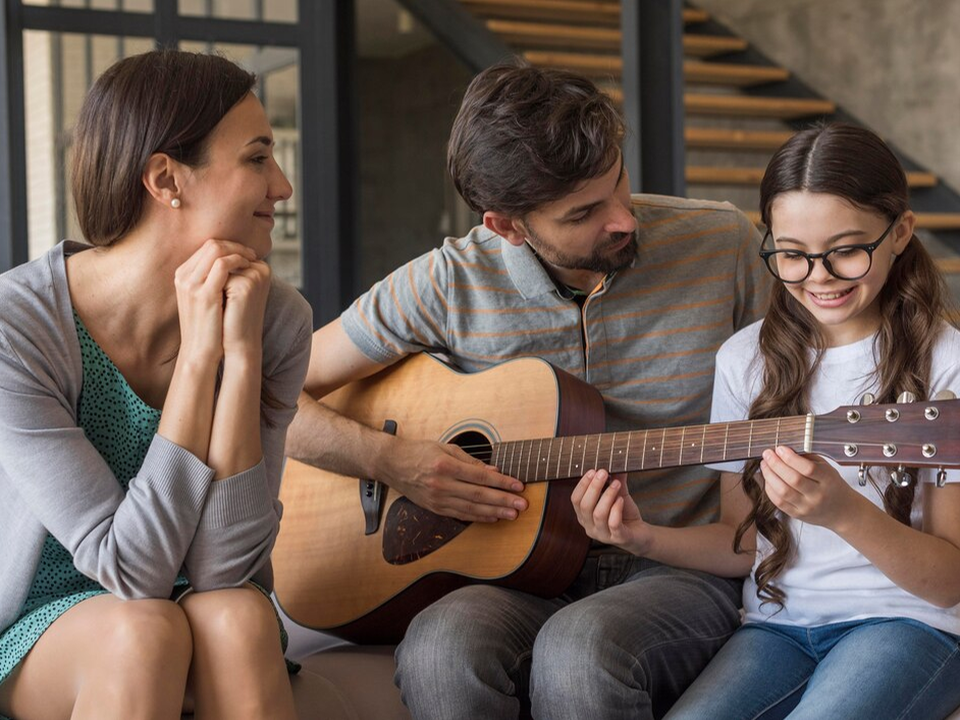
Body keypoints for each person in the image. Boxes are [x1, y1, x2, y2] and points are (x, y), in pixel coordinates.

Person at [286, 63, 770, 719]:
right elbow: (277, 394)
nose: (625, 218)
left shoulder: (724, 244)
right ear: (507, 226)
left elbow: (800, 387)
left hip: (676, 565)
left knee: (581, 651)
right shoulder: (445, 283)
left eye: (619, 180)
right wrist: (392, 461)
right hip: (507, 574)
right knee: (438, 651)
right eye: (585, 213)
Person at [577, 123, 960, 720]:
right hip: (777, 627)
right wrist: (641, 537)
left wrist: (844, 513)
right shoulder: (743, 360)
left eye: (847, 249)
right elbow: (744, 545)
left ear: (901, 233)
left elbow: (949, 582)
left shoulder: (947, 363)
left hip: (910, 623)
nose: (819, 276)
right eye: (792, 254)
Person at [0, 49, 312, 719]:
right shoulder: (15, 326)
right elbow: (131, 572)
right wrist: (201, 360)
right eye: (258, 158)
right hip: (41, 623)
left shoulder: (275, 317)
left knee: (240, 617)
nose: (282, 186)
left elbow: (226, 569)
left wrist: (240, 352)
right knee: (142, 628)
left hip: (194, 603)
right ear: (167, 180)